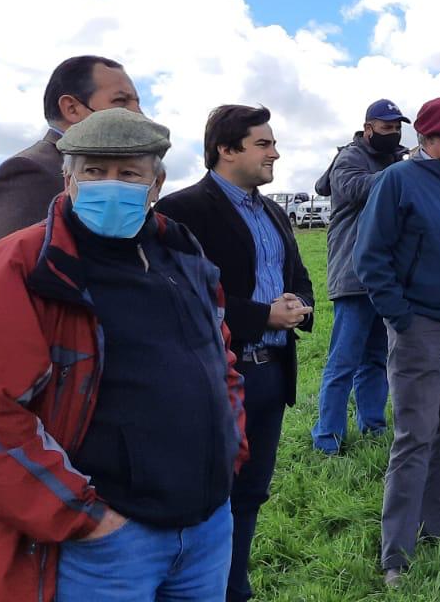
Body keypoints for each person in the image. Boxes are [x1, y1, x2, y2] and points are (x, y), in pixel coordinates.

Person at [0, 109, 246, 601]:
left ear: (157, 182)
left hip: (206, 529)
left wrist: (230, 450)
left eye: (128, 173)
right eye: (93, 171)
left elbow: (221, 362)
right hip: (108, 545)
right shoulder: (25, 265)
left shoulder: (184, 257)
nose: (110, 185)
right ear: (68, 178)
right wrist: (85, 518)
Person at [154, 105, 315, 602]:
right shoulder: (183, 212)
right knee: (206, 493)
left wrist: (298, 307)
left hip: (270, 375)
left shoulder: (271, 210)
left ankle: (233, 587)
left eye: (272, 142)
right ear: (226, 150)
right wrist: (261, 316)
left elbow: (297, 275)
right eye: (263, 144)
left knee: (251, 495)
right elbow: (181, 296)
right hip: (217, 375)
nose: (275, 152)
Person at [352, 97, 440, 586]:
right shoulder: (398, 182)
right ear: (426, 138)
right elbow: (370, 256)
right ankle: (396, 554)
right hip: (422, 332)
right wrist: (401, 319)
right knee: (415, 437)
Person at [0, 55, 142, 275]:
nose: (138, 114)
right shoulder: (28, 173)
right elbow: (17, 280)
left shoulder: (99, 176)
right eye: (121, 101)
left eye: (137, 102)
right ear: (72, 108)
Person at [310, 99, 409, 455]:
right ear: (368, 128)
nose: (394, 132)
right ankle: (327, 438)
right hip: (352, 275)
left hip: (384, 277)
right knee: (343, 361)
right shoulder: (350, 158)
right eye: (386, 126)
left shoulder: (394, 160)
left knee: (375, 359)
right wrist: (403, 172)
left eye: (398, 127)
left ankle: (373, 427)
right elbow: (356, 189)